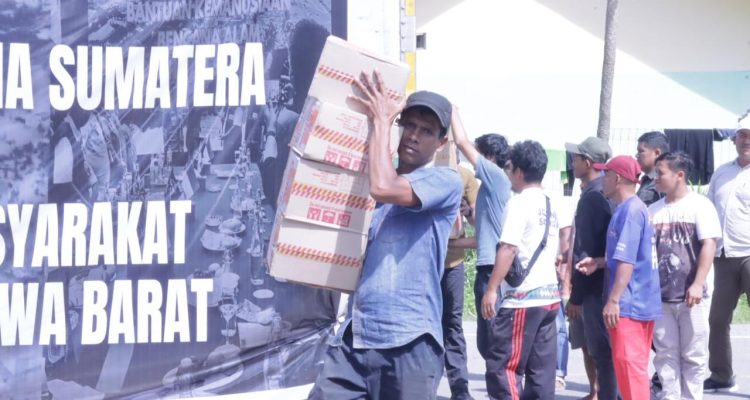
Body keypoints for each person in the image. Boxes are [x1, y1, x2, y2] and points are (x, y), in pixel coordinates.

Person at [308, 76, 462, 400]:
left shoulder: (445, 181)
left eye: (427, 131)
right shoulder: (368, 178)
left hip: (410, 342)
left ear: (441, 142)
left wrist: (380, 119)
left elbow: (384, 187)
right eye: (409, 125)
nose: (414, 136)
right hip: (356, 338)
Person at [480, 140, 572, 400]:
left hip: (523, 300)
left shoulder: (519, 203)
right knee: (541, 374)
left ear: (519, 171)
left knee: (503, 368)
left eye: (510, 169)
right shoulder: (552, 203)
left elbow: (508, 248)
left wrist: (491, 289)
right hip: (548, 298)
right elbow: (566, 240)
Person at [577, 155, 661, 400]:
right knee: (629, 367)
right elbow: (628, 255)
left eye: (606, 175)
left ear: (617, 178)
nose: (602, 179)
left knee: (630, 367)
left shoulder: (631, 211)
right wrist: (599, 262)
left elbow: (627, 261)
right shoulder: (628, 208)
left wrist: (613, 300)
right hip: (636, 301)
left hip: (631, 304)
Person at [649, 151, 721, 399]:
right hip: (661, 298)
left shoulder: (701, 206)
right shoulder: (653, 211)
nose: (655, 178)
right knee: (665, 354)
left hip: (693, 298)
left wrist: (698, 283)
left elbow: (709, 244)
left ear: (679, 175)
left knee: (694, 355)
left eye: (660, 173)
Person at [450, 111, 512, 367]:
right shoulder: (490, 188)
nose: (472, 158)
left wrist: (452, 111)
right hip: (487, 267)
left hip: (492, 272)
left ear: (491, 157)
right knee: (487, 342)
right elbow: (484, 237)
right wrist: (456, 237)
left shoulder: (496, 176)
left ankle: (503, 384)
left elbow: (461, 142)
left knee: (493, 342)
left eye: (478, 153)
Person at [564, 137, 618, 400]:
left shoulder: (593, 197)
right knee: (593, 347)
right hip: (599, 284)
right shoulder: (599, 192)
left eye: (575, 158)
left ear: (587, 162)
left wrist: (576, 297)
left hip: (593, 288)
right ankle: (597, 392)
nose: (572, 163)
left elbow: (586, 251)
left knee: (600, 351)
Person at [704, 114, 750, 393]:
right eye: (742, 135)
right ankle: (722, 375)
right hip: (723, 257)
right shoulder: (721, 172)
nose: (747, 140)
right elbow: (709, 211)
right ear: (734, 139)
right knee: (717, 320)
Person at [443, 164, 479, 400]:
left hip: (453, 264)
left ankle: (459, 390)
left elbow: (478, 221)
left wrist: (467, 212)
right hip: (422, 262)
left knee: (452, 325)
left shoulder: (464, 175)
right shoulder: (417, 169)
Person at [636, 131, 670, 206]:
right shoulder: (646, 180)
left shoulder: (665, 181)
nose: (636, 155)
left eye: (641, 151)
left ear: (657, 153)